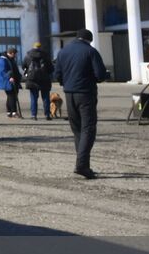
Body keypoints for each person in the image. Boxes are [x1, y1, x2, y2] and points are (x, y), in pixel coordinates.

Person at [52, 28, 108, 179]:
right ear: (89, 39)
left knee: (77, 129)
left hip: (69, 94)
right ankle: (82, 165)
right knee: (88, 129)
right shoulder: (91, 51)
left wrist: (67, 83)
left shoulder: (63, 52)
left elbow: (57, 73)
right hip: (85, 93)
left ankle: (83, 164)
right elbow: (100, 74)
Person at [22, 42, 54, 120]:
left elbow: (24, 66)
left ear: (33, 47)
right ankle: (47, 115)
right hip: (44, 79)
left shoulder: (28, 55)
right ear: (40, 47)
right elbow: (51, 68)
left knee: (33, 98)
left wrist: (27, 74)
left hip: (32, 79)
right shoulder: (45, 55)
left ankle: (34, 115)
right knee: (46, 98)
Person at [0, 46, 23, 118]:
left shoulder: (11, 59)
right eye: (15, 54)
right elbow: (2, 71)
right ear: (11, 53)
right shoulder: (3, 60)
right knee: (12, 96)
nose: (16, 55)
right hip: (7, 81)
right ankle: (13, 112)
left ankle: (9, 112)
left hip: (14, 80)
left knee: (11, 96)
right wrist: (9, 77)